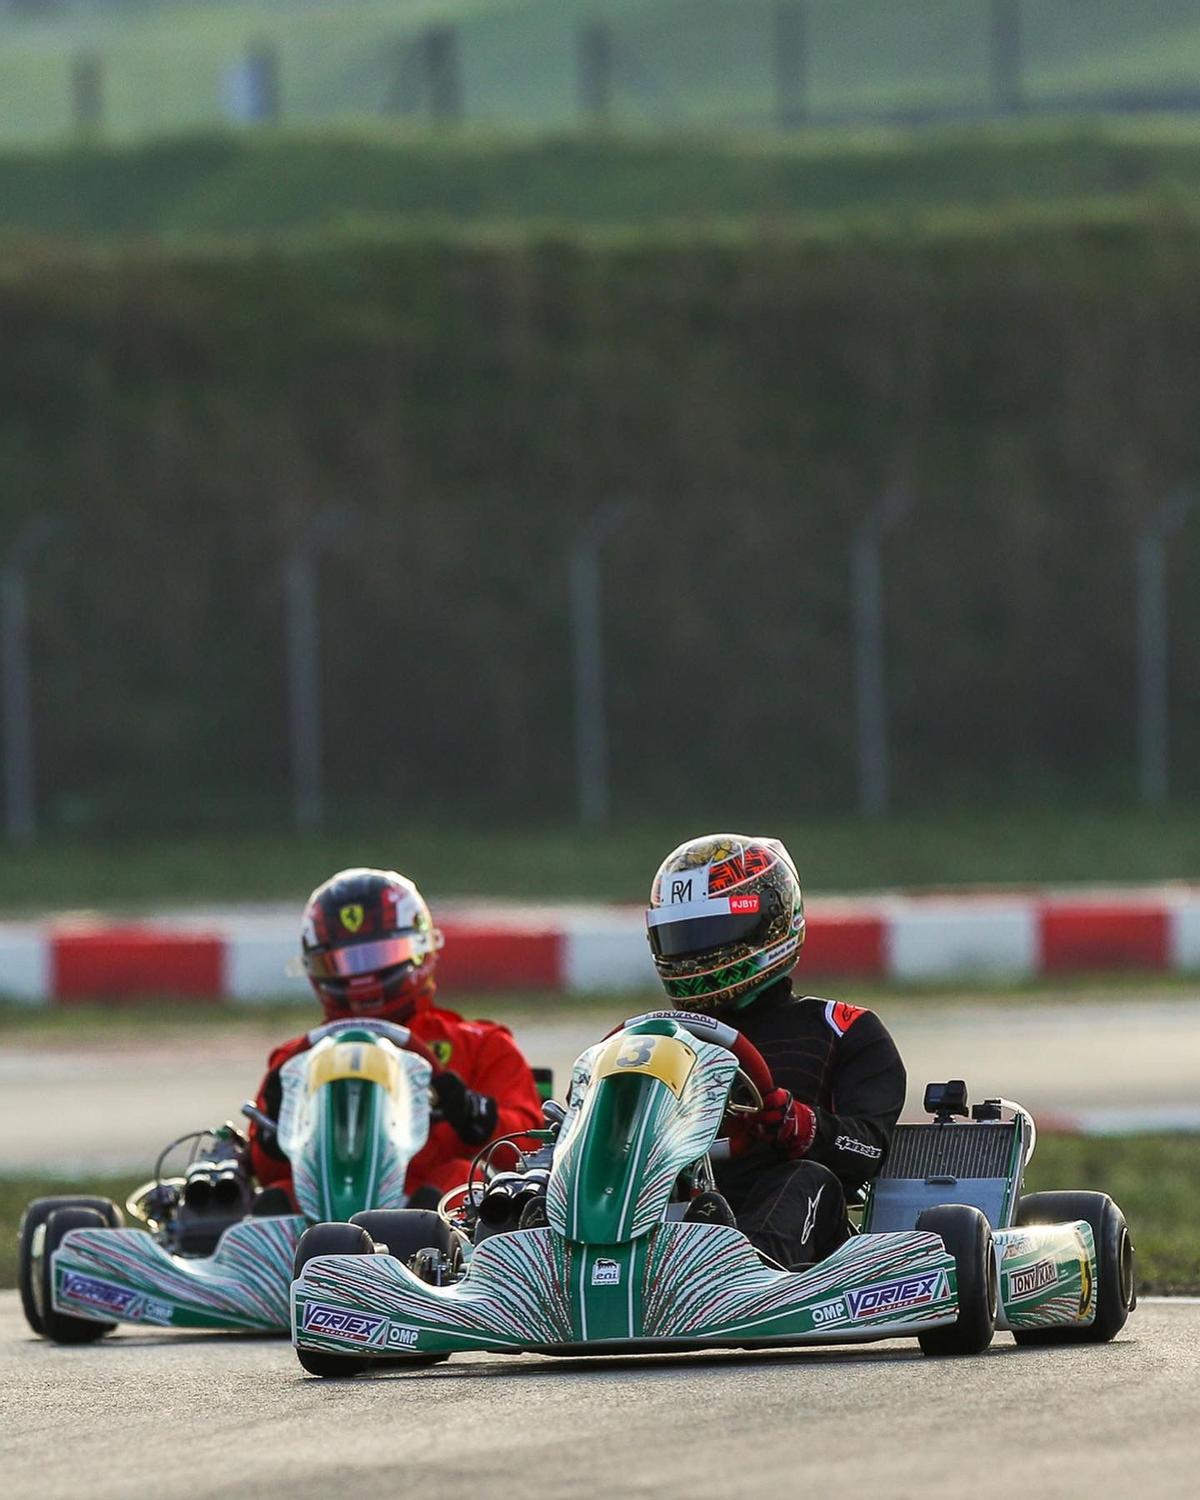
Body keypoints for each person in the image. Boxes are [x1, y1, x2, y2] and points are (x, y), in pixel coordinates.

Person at [643, 833, 906, 1270]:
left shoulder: (844, 1030)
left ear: (772, 924)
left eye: (710, 931)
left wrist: (804, 1127)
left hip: (798, 1221)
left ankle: (742, 1271)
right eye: (679, 936)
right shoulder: (658, 1039)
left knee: (806, 1177)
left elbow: (869, 1151)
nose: (692, 954)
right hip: (675, 1205)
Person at [248, 867, 543, 1208]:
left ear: (420, 947)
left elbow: (527, 1152)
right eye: (342, 963)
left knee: (462, 1177)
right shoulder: (295, 1061)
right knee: (274, 1198)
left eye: (376, 956)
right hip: (325, 1208)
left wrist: (472, 1113)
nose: (361, 974)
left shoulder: (480, 1046)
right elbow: (266, 1173)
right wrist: (273, 1136)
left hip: (431, 1221)